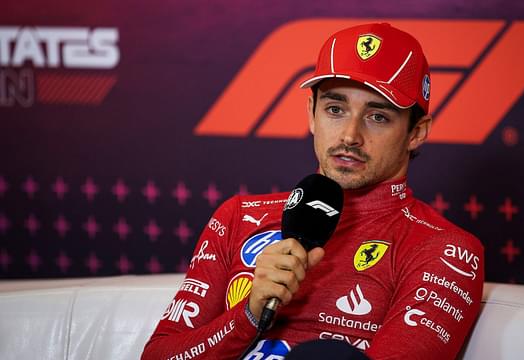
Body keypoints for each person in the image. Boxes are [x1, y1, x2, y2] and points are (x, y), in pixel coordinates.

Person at [142, 22, 484, 360]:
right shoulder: (238, 217)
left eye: (377, 117)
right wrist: (248, 314)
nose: (350, 135)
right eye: (335, 110)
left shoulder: (446, 250)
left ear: (417, 133)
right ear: (311, 114)